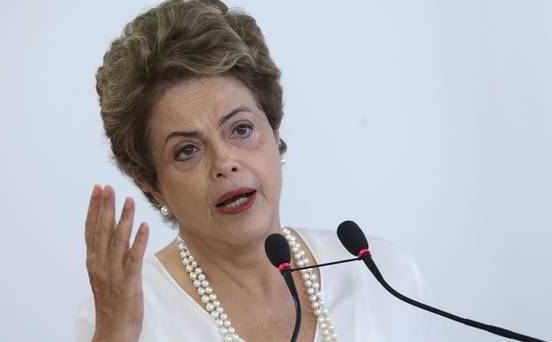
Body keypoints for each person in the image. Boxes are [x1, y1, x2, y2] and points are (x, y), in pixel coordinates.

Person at [75, 0, 444, 341]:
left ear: (275, 131)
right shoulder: (126, 314)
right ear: (152, 184)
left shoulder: (382, 277)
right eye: (187, 150)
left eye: (241, 129)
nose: (224, 163)